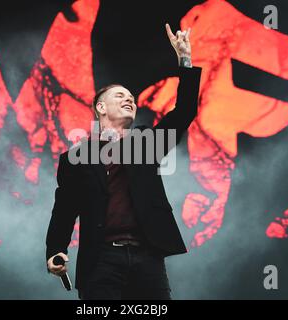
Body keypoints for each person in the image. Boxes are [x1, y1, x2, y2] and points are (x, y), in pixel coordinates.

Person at [46, 23, 202, 299]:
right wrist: (56, 249)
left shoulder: (147, 143)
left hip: (147, 259)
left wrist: (185, 60)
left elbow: (184, 111)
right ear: (101, 108)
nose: (129, 99)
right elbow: (65, 208)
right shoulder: (76, 157)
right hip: (101, 261)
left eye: (131, 97)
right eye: (120, 96)